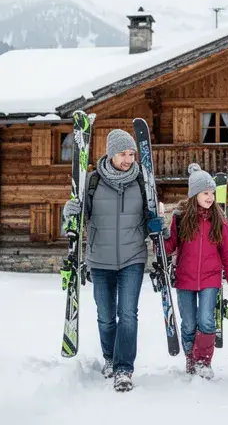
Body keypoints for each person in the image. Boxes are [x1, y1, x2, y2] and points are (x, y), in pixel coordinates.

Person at [61, 129, 150, 392]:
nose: (128, 159)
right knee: (106, 316)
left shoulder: (143, 182)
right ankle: (110, 358)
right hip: (99, 259)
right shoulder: (91, 182)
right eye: (123, 154)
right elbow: (74, 224)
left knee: (128, 315)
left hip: (133, 257)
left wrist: (158, 225)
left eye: (131, 154)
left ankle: (124, 369)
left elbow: (150, 219)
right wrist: (70, 213)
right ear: (111, 154)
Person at [163, 163, 228, 379]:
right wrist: (161, 235)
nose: (210, 197)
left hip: (210, 278)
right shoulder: (180, 218)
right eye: (206, 193)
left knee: (206, 320)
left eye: (212, 193)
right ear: (194, 193)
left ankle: (203, 362)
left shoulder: (219, 220)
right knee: (188, 323)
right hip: (185, 277)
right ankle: (190, 358)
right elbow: (169, 248)